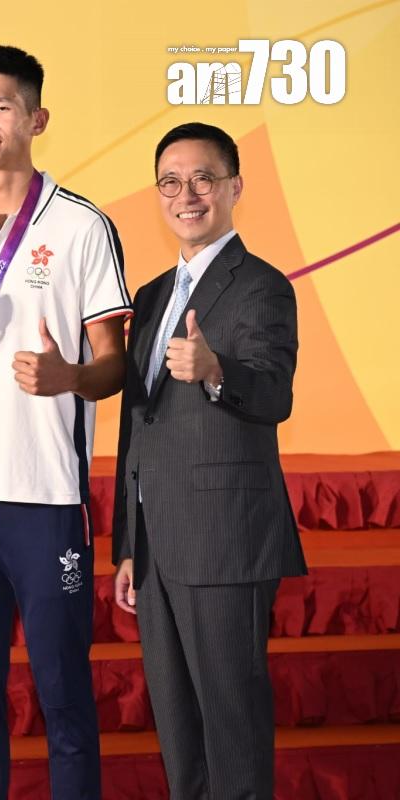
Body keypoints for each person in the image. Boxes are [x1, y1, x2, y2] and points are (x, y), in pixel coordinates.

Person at [0, 46, 132, 798]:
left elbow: (114, 364)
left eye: (2, 107)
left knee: (64, 696)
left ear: (36, 119)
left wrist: (69, 377)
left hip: (45, 495)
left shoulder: (81, 226)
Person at [112, 121, 306, 799]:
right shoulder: (151, 296)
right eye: (170, 182)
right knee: (178, 726)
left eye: (203, 179)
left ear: (234, 187)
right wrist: (129, 545)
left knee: (231, 721)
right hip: (158, 544)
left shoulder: (262, 286)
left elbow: (275, 393)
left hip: (225, 538)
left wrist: (217, 370)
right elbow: (137, 424)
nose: (186, 195)